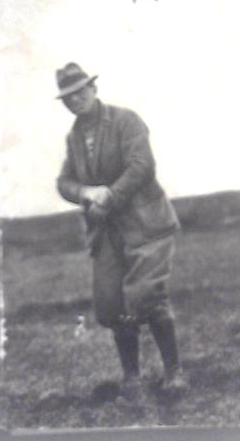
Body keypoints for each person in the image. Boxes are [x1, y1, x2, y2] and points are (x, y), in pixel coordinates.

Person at [55, 62, 187, 397]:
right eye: (68, 96)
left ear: (93, 89)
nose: (75, 100)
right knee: (111, 305)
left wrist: (110, 196)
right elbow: (63, 182)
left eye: (80, 92)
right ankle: (132, 377)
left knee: (146, 297)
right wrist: (86, 193)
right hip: (107, 233)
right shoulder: (73, 138)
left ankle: (174, 372)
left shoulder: (126, 120)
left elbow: (142, 166)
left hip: (147, 225)